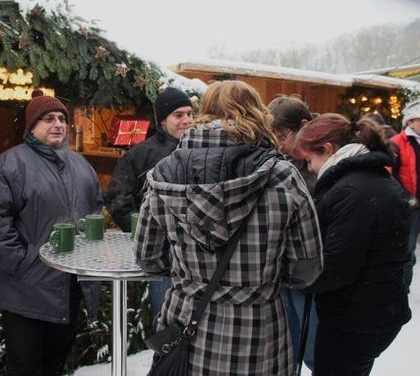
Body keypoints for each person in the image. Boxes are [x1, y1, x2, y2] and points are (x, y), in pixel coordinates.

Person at [134, 80, 323, 375]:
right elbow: (307, 267)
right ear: (259, 114)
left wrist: (190, 273)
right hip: (258, 337)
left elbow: (149, 259)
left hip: (188, 330)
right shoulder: (282, 176)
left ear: (204, 113)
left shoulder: (164, 175)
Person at [0, 96, 103, 376]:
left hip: (69, 286)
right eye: (48, 119)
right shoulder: (8, 165)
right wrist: (25, 262)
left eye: (62, 119)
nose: (57, 124)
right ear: (32, 126)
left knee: (55, 364)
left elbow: (95, 210)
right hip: (26, 290)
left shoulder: (81, 166)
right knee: (26, 368)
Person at [295, 113, 412, 375]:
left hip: (356, 317)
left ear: (328, 149)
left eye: (309, 159)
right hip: (372, 310)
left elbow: (337, 265)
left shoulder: (352, 190)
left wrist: (293, 276)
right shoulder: (368, 179)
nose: (310, 168)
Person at [106, 86, 193, 317]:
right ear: (163, 120)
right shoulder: (140, 154)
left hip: (197, 260)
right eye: (178, 115)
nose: (186, 120)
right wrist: (143, 231)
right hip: (162, 259)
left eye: (189, 114)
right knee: (166, 325)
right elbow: (118, 199)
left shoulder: (202, 152)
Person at [267, 95, 318, 371]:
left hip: (310, 274)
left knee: (313, 350)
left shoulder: (319, 159)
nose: (279, 143)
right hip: (282, 272)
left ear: (304, 125)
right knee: (288, 348)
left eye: (283, 135)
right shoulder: (280, 159)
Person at [389, 98, 420, 302]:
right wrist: (405, 198)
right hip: (410, 207)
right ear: (410, 122)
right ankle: (402, 290)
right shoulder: (397, 143)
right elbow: (389, 175)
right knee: (407, 252)